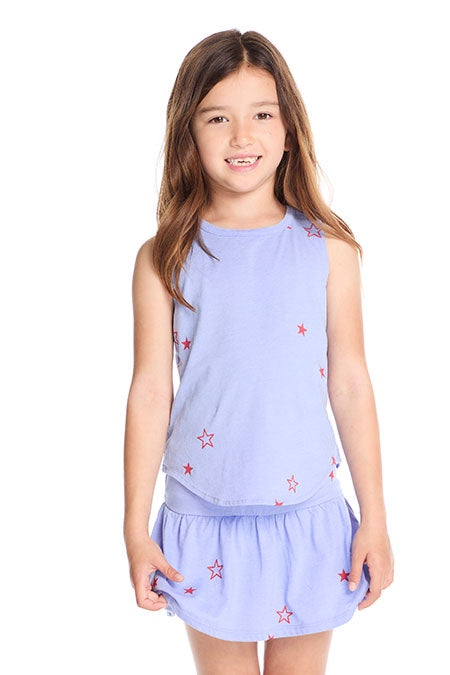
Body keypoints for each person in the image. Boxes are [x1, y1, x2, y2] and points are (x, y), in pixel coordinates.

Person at [123, 28, 394, 675]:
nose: (241, 137)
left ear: (289, 129)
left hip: (308, 517)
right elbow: (151, 391)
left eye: (262, 115)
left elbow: (350, 381)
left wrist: (376, 518)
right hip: (204, 518)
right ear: (189, 134)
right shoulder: (164, 257)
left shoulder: (329, 249)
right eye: (218, 118)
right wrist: (134, 528)